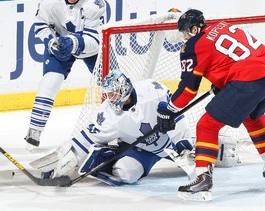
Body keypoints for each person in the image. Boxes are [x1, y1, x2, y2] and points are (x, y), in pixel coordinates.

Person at [156, 9, 265, 201]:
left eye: (185, 32)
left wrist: (170, 109)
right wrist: (223, 80)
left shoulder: (193, 46)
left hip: (248, 80)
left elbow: (188, 90)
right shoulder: (223, 25)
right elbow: (234, 57)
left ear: (194, 28)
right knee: (252, 116)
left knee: (207, 125)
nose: (184, 37)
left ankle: (202, 180)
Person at [29, 70, 197, 186]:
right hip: (142, 150)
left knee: (205, 160)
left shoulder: (152, 89)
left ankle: (200, 148)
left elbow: (177, 116)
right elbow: (85, 139)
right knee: (125, 173)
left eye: (114, 93)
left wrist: (184, 145)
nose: (110, 98)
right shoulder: (107, 114)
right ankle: (112, 156)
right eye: (108, 94)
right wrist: (66, 158)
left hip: (171, 142)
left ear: (124, 89)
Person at [24, 0, 106, 149]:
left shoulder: (95, 4)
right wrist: (50, 42)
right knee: (49, 82)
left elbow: (94, 41)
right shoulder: (48, 0)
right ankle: (34, 132)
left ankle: (123, 127)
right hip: (59, 43)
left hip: (88, 48)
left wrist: (73, 43)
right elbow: (40, 24)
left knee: (112, 84)